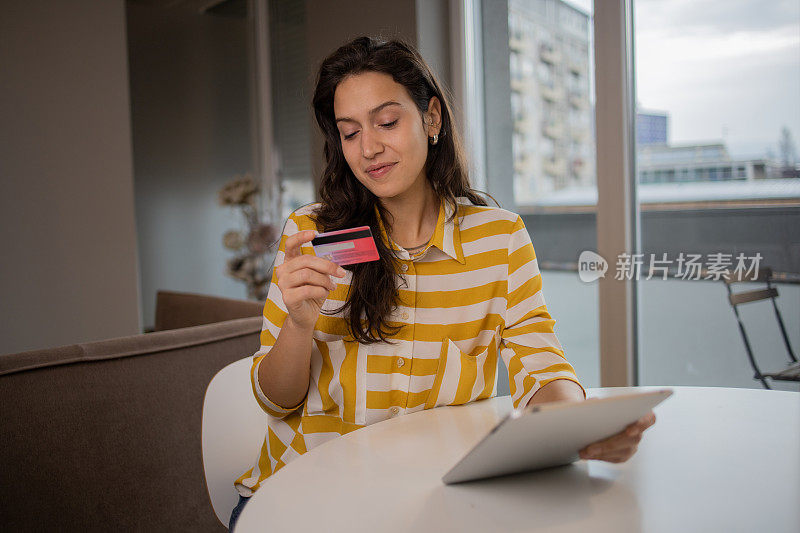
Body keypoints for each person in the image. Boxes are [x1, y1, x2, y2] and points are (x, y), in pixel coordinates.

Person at [229, 36, 655, 530]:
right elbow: (274, 399)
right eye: (349, 132)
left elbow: (541, 365)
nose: (369, 148)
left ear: (432, 119)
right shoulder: (314, 234)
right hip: (302, 502)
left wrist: (576, 430)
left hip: (427, 507)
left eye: (387, 122)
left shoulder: (499, 238)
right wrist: (299, 324)